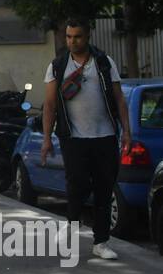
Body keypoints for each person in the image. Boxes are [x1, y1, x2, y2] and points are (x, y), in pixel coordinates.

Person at [41, 17, 132, 260]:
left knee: (104, 189)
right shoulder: (58, 65)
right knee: (77, 186)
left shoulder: (103, 62)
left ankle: (101, 242)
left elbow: (120, 99)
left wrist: (127, 132)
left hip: (105, 136)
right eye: (68, 37)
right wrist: (46, 139)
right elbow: (49, 105)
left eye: (77, 36)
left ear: (87, 36)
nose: (72, 41)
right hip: (73, 138)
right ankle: (71, 230)